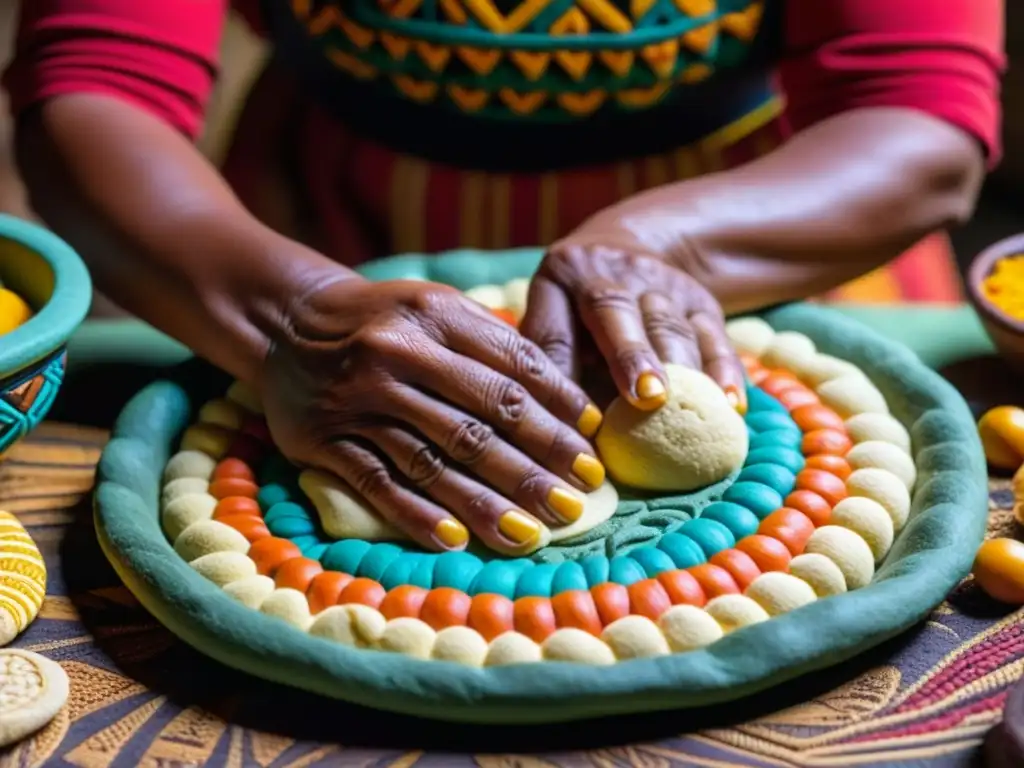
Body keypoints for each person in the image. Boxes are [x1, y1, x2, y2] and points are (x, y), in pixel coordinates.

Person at [4, 0, 1003, 555]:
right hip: (329, 241)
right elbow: (97, 79)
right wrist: (284, 317)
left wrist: (676, 248)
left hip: (780, 226)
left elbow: (918, 111)